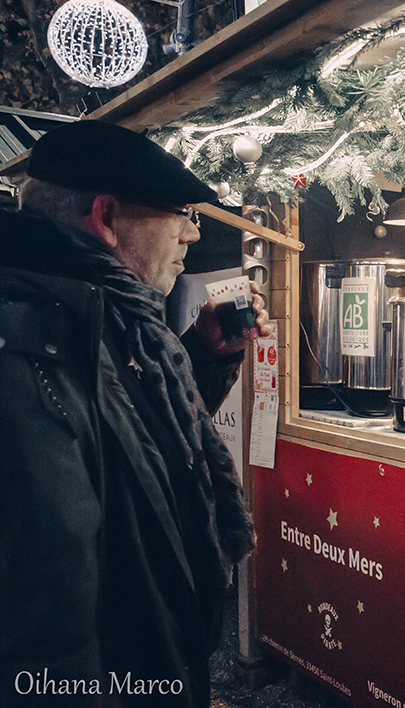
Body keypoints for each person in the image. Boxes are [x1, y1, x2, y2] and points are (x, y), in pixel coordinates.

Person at [0, 120, 271, 707]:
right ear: (106, 218)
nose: (192, 236)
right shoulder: (27, 344)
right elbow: (44, 625)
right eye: (180, 214)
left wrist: (205, 355)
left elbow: (135, 446)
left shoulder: (113, 320)